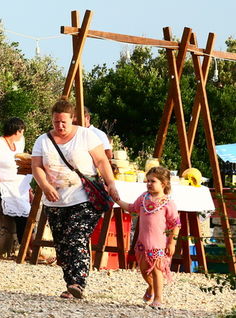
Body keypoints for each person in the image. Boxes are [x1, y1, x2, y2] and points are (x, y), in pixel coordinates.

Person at [30, 99, 119, 300]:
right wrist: (45, 185)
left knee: (76, 236)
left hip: (83, 196)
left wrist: (110, 183)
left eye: (64, 122)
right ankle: (70, 284)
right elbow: (36, 167)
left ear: (73, 120)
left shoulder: (85, 136)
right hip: (55, 199)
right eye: (56, 122)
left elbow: (101, 161)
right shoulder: (42, 140)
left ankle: (78, 281)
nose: (60, 126)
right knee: (62, 243)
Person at [115, 167, 179, 308]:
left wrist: (172, 243)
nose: (149, 184)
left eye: (153, 181)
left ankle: (158, 298)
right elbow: (131, 208)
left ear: (163, 183)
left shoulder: (168, 203)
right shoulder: (144, 198)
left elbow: (176, 224)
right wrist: (117, 200)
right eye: (147, 181)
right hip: (142, 243)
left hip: (158, 244)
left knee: (157, 270)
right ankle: (150, 287)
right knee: (144, 270)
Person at [0, 117, 29, 246]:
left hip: (19, 183)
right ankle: (26, 247)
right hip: (5, 184)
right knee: (21, 214)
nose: (22, 134)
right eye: (22, 131)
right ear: (18, 131)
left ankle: (30, 245)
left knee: (29, 212)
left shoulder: (19, 142)